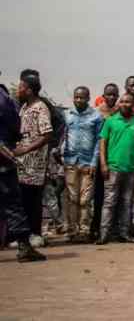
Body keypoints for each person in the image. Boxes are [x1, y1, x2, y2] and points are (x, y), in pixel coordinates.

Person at [0, 75, 46, 262]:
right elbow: (14, 124)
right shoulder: (3, 98)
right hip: (2, 156)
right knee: (12, 202)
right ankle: (24, 247)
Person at [97, 93, 134, 244]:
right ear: (119, 104)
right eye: (123, 102)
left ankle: (124, 233)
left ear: (133, 105)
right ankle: (103, 235)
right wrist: (103, 164)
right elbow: (102, 143)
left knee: (127, 202)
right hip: (113, 168)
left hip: (131, 169)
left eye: (128, 102)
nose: (125, 104)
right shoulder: (111, 121)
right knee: (109, 202)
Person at [15, 70, 54, 247]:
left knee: (34, 199)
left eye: (21, 86)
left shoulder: (41, 107)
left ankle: (36, 234)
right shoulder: (24, 107)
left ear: (29, 90)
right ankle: (24, 235)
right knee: (23, 199)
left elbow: (46, 135)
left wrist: (26, 149)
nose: (18, 89)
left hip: (35, 164)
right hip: (22, 164)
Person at [62, 86, 104, 242]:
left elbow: (99, 141)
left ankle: (84, 231)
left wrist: (94, 162)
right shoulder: (67, 115)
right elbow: (63, 136)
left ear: (88, 98)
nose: (79, 100)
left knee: (85, 199)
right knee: (72, 197)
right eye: (76, 97)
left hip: (87, 163)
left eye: (82, 97)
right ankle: (72, 231)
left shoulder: (96, 116)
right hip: (70, 161)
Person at [91, 82, 119, 239]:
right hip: (98, 157)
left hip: (114, 157)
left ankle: (110, 228)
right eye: (109, 94)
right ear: (103, 95)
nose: (112, 97)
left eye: (114, 94)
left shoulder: (119, 112)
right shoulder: (96, 113)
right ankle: (95, 228)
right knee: (99, 195)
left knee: (114, 195)